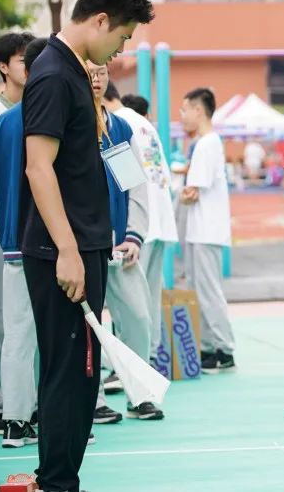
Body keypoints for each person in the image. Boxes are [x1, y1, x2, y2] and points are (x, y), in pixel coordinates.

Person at [20, 0, 153, 492]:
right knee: (66, 374)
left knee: (83, 374)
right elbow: (38, 167)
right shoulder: (54, 73)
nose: (119, 51)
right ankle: (55, 483)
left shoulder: (76, 72)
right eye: (121, 38)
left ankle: (60, 479)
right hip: (63, 251)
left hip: (87, 244)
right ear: (100, 20)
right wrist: (68, 252)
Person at [87, 61, 163, 423]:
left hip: (119, 248)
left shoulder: (117, 128)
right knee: (88, 326)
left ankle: (140, 394)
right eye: (90, 73)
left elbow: (134, 185)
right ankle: (93, 399)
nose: (97, 79)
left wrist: (133, 236)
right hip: (83, 247)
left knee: (138, 316)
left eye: (102, 73)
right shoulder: (67, 126)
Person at [0, 32, 32, 437]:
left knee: (22, 327)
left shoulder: (33, 110)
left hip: (24, 235)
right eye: (20, 61)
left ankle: (18, 405)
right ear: (3, 67)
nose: (28, 69)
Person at [104, 82, 178, 368]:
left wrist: (133, 228)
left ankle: (134, 367)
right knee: (145, 302)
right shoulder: (140, 123)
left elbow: (132, 179)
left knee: (132, 306)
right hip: (155, 219)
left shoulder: (119, 126)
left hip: (133, 226)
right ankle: (149, 359)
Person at [180, 87, 236, 373]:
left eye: (185, 110)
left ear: (198, 110)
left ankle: (223, 348)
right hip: (201, 230)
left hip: (205, 230)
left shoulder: (206, 143)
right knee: (199, 289)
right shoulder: (207, 143)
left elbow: (192, 191)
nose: (182, 116)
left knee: (208, 290)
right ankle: (209, 348)